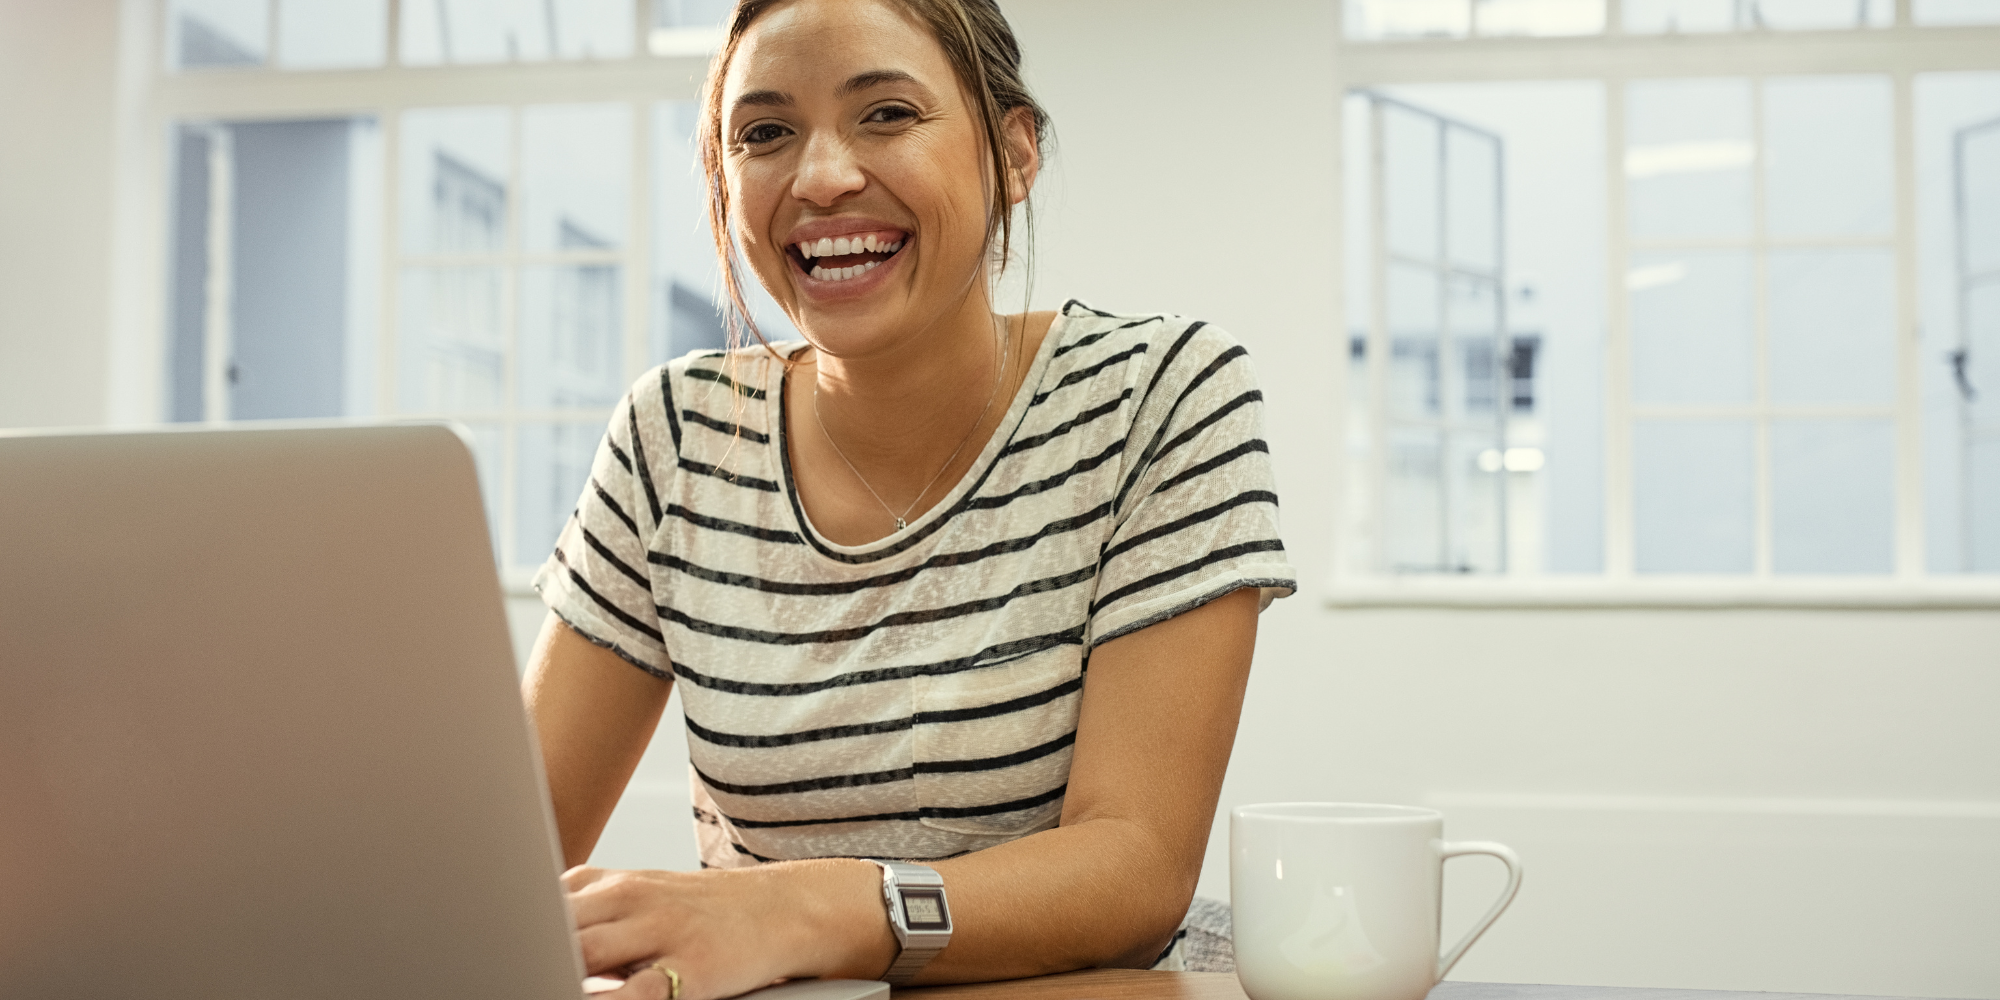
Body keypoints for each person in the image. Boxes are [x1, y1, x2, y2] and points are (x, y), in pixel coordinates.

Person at [521, 0, 1294, 996]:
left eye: (884, 113)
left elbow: (1135, 863)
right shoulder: (673, 435)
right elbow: (495, 861)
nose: (820, 176)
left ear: (1013, 154)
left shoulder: (1159, 396)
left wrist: (805, 909)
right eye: (764, 134)